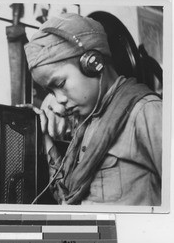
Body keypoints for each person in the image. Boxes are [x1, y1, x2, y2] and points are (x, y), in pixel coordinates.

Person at [24, 13, 162, 206]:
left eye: (61, 83)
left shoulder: (146, 112)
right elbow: (68, 198)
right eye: (51, 91)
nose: (60, 99)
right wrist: (45, 139)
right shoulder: (87, 124)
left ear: (93, 63)